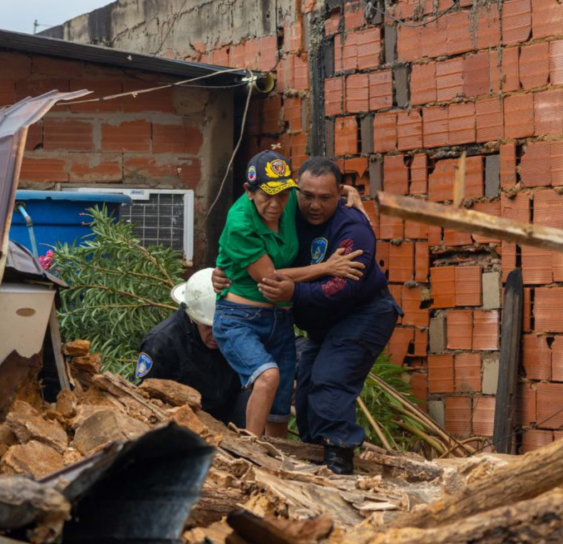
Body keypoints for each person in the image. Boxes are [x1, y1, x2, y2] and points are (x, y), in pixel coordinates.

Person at [217, 157, 399, 474]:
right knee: (304, 392)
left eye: (325, 197)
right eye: (308, 195)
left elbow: (341, 288)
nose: (314, 205)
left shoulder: (354, 230)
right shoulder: (280, 207)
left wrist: (295, 293)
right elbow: (266, 268)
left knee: (330, 380)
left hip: (363, 312)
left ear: (338, 193)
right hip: (317, 320)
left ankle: (339, 460)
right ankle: (315, 456)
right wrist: (221, 271)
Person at [214, 151, 364, 439]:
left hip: (280, 318)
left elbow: (319, 192)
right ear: (248, 191)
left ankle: (277, 467)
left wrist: (349, 190)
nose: (275, 204)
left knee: (280, 407)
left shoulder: (291, 198)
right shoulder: (240, 224)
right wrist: (327, 267)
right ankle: (249, 453)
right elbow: (271, 278)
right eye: (266, 196)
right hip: (239, 318)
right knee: (267, 377)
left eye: (282, 195)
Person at [133, 268, 246, 426]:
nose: (217, 335)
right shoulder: (161, 343)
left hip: (227, 416)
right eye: (209, 328)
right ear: (193, 318)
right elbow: (144, 396)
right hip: (178, 421)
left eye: (223, 328)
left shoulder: (240, 333)